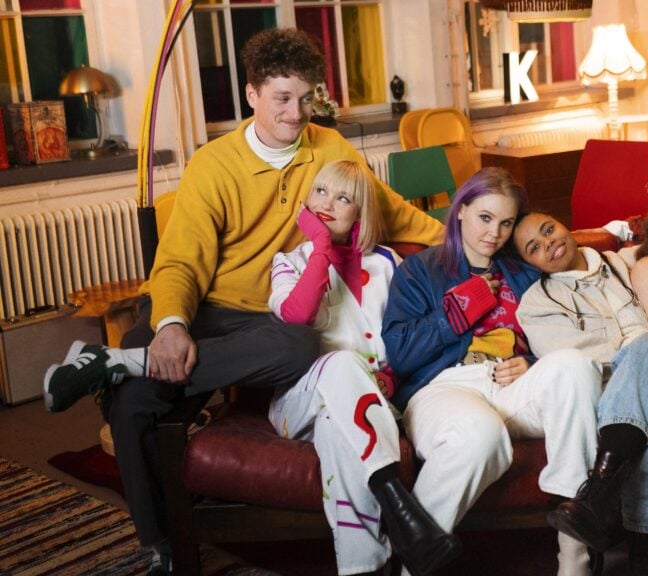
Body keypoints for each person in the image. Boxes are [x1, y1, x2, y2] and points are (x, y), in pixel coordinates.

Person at [42, 28, 443, 575]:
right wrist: (172, 326)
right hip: (203, 311)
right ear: (251, 94)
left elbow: (391, 211)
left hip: (271, 318)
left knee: (300, 345)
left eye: (305, 99)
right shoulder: (213, 164)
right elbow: (180, 261)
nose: (296, 113)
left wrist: (467, 239)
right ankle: (161, 544)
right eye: (282, 98)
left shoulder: (330, 148)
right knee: (133, 402)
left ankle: (115, 363)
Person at [381, 168, 604, 576]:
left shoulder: (523, 272)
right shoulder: (418, 270)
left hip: (514, 387)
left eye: (505, 223)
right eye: (485, 218)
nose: (494, 234)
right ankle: (411, 567)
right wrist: (462, 308)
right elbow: (401, 354)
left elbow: (558, 327)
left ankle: (575, 556)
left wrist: (532, 361)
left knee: (575, 367)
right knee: (481, 436)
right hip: (445, 388)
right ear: (460, 210)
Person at [266, 160, 460, 575]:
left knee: (339, 433)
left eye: (343, 198)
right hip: (301, 402)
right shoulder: (288, 263)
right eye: (320, 192)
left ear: (361, 211)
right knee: (340, 363)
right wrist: (320, 246)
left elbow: (407, 336)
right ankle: (396, 500)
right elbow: (297, 314)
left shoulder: (388, 263)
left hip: (373, 408)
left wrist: (392, 376)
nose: (326, 204)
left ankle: (364, 567)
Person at [512, 210, 648, 575]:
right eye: (534, 247)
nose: (549, 242)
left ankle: (598, 493)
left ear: (564, 225)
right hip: (619, 413)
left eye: (549, 229)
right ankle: (645, 566)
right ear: (530, 263)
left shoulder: (626, 262)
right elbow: (580, 368)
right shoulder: (537, 305)